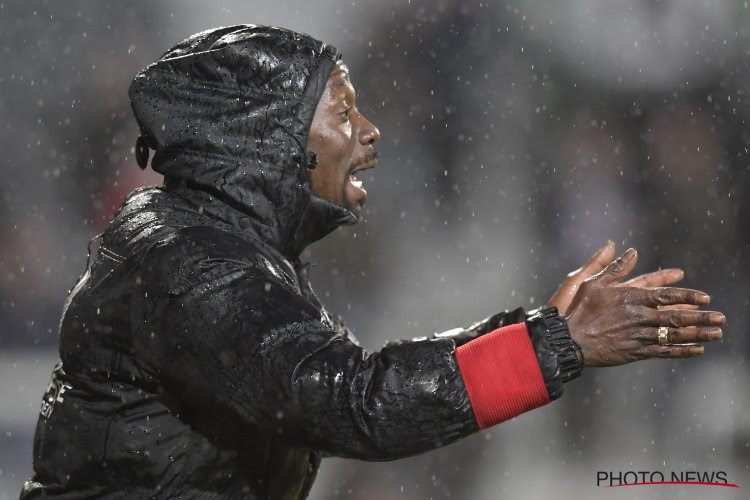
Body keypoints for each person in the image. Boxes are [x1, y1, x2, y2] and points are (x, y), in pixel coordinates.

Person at [20, 25, 725, 499]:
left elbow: (356, 390)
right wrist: (554, 344)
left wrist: (543, 334)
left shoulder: (220, 244)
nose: (369, 130)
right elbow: (354, 402)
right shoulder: (189, 263)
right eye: (343, 111)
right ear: (271, 140)